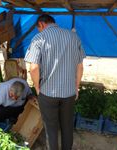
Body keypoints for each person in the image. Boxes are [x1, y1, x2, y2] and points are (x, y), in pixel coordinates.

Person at [24, 14, 85, 150]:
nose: (39, 31)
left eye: (38, 28)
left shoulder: (39, 38)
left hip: (48, 93)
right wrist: (76, 87)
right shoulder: (73, 37)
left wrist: (37, 88)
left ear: (41, 24)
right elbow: (80, 67)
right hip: (69, 93)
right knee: (67, 126)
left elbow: (34, 68)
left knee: (51, 129)